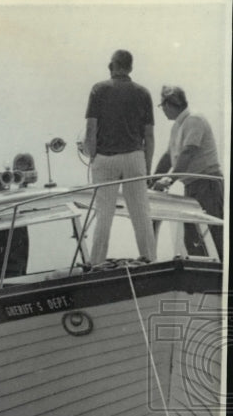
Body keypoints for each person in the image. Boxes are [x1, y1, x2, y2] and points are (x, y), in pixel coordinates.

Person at [84, 49, 156, 265]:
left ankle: (97, 262)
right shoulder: (143, 93)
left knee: (104, 214)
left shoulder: (99, 89)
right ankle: (151, 260)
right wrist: (147, 167)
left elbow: (90, 129)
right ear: (130, 67)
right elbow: (149, 136)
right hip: (135, 157)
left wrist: (92, 155)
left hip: (106, 158)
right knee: (141, 214)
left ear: (112, 65)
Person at [151, 85, 224, 258]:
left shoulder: (194, 119)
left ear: (168, 104)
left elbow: (188, 152)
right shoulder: (177, 126)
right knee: (192, 236)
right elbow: (169, 156)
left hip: (207, 184)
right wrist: (152, 180)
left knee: (213, 234)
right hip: (191, 186)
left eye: (162, 106)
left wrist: (168, 180)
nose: (163, 111)